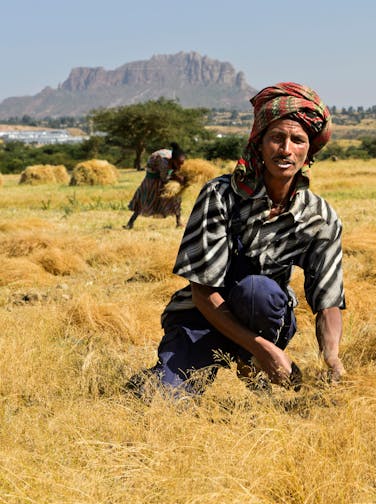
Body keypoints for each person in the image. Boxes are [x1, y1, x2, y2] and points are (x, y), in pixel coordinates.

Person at [128, 83, 346, 397]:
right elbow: (202, 293)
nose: (285, 149)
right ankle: (161, 379)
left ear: (308, 152)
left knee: (258, 290)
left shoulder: (320, 217)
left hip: (262, 314)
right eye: (276, 138)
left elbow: (328, 301)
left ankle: (251, 369)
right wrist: (264, 350)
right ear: (259, 145)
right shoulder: (220, 196)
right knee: (165, 401)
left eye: (297, 140)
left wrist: (332, 357)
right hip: (201, 316)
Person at [124, 142, 187, 229]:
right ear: (173, 160)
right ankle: (130, 223)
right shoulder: (163, 162)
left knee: (175, 199)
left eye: (182, 164)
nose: (180, 166)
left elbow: (178, 171)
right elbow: (164, 178)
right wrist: (177, 178)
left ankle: (179, 222)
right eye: (178, 164)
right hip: (152, 178)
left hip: (164, 175)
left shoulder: (178, 159)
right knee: (144, 199)